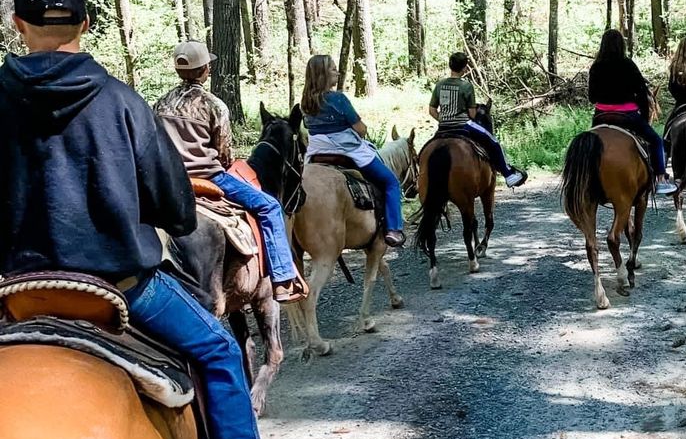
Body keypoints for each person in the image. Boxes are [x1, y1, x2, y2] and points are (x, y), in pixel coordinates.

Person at [0, 0, 288, 439]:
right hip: (120, 286)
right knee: (220, 350)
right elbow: (177, 210)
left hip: (14, 291)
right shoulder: (122, 103)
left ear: (18, 25)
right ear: (85, 24)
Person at [155, 41, 306, 303]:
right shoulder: (214, 105)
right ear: (205, 69)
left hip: (169, 181)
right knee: (269, 206)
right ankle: (282, 279)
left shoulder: (160, 104)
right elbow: (224, 153)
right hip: (209, 177)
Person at [299, 54, 406, 247]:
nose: (337, 72)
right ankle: (393, 229)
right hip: (348, 152)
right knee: (390, 182)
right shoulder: (338, 99)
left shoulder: (305, 103)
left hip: (316, 153)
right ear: (323, 74)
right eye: (332, 69)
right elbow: (360, 129)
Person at [588, 29, 675, 197]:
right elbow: (642, 93)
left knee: (587, 144)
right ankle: (661, 179)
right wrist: (642, 116)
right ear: (622, 45)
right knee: (657, 141)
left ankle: (586, 181)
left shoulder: (596, 66)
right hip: (627, 115)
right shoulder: (628, 64)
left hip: (601, 116)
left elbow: (592, 97)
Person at [429, 52, 527, 188]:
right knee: (493, 141)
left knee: (424, 151)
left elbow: (432, 110)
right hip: (463, 125)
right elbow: (472, 113)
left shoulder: (440, 85)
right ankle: (508, 174)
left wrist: (444, 119)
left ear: (450, 66)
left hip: (443, 127)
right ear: (464, 68)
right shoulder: (466, 86)